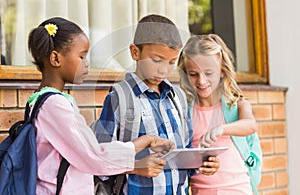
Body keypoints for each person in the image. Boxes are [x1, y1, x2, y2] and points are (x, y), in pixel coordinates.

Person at [27, 17, 175, 195]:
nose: (87, 63)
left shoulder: (39, 100)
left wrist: (144, 141)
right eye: (81, 56)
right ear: (56, 58)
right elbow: (93, 155)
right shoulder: (55, 105)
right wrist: (138, 157)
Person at [94, 14, 219, 195]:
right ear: (135, 52)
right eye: (157, 60)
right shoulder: (119, 98)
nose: (164, 69)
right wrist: (135, 167)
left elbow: (185, 150)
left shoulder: (179, 98)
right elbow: (99, 159)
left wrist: (202, 163)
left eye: (171, 63)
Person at [177, 34, 258, 194]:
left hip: (238, 190)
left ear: (221, 71)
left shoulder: (237, 104)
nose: (201, 81)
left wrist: (222, 129)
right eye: (193, 74)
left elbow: (250, 125)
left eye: (208, 73)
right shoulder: (184, 111)